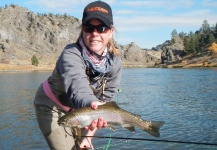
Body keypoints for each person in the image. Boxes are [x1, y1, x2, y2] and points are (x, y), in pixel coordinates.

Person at [34, 1, 122, 150]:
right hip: (52, 105)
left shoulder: (115, 63)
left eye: (101, 28)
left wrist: (88, 136)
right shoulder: (70, 54)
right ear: (83, 30)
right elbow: (78, 89)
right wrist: (93, 105)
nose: (95, 34)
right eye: (89, 28)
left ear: (110, 31)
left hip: (84, 112)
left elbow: (106, 103)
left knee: (82, 147)